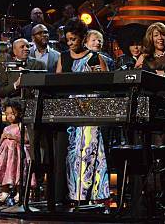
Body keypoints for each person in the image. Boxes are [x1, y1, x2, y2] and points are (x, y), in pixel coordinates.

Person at [56, 18, 110, 202]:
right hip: (70, 111)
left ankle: (89, 196)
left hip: (90, 110)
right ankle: (73, 195)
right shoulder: (63, 57)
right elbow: (57, 83)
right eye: (68, 40)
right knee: (72, 153)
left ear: (83, 37)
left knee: (89, 150)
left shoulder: (95, 57)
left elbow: (106, 83)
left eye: (74, 39)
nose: (70, 43)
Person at [0, 100, 35, 204]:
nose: (9, 117)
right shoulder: (6, 128)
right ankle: (4, 191)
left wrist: (13, 137)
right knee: (5, 171)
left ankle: (19, 192)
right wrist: (2, 137)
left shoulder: (21, 126)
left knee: (17, 172)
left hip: (16, 154)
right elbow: (0, 142)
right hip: (6, 155)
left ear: (18, 113)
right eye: (7, 114)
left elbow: (26, 140)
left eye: (12, 113)